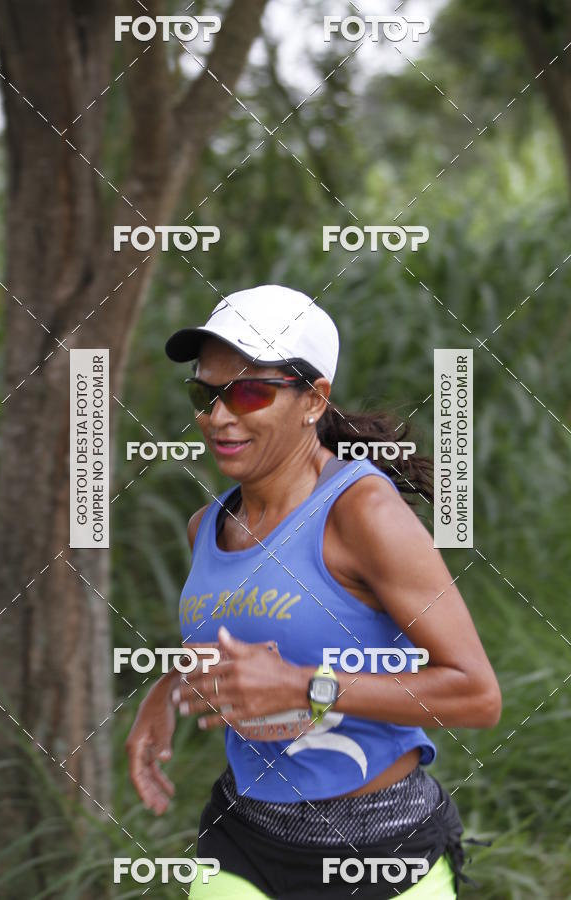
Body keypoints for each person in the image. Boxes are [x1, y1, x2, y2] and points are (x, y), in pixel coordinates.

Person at [126, 285, 501, 898]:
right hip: (244, 840)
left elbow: (477, 696)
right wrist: (166, 691)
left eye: (248, 392)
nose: (220, 417)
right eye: (206, 394)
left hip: (383, 851)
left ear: (313, 399)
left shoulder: (363, 513)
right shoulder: (206, 525)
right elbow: (241, 642)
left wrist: (308, 686)